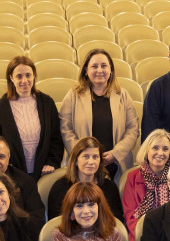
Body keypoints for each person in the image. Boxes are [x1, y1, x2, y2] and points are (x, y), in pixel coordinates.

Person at [59, 48, 139, 180]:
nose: (99, 70)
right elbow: (65, 129)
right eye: (94, 66)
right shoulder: (73, 95)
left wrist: (115, 154)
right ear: (86, 70)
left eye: (104, 66)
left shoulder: (123, 95)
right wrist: (84, 155)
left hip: (115, 164)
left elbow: (133, 129)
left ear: (111, 70)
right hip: (83, 166)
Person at [0, 55, 63, 180]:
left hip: (44, 173)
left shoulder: (47, 103)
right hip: (12, 175)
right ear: (11, 78)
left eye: (28, 75)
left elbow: (56, 138)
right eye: (19, 76)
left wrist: (52, 162)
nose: (24, 80)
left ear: (34, 75)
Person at [122, 129, 170, 241]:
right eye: (155, 148)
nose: (160, 153)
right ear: (147, 150)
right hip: (141, 240)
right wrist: (150, 239)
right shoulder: (132, 177)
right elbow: (131, 217)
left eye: (165, 149)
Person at [47, 136, 124, 223]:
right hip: (70, 235)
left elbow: (117, 221)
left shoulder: (110, 187)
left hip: (103, 235)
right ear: (76, 160)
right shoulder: (60, 187)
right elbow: (55, 223)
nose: (91, 162)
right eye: (86, 156)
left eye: (95, 157)